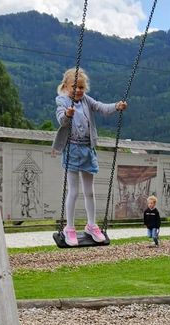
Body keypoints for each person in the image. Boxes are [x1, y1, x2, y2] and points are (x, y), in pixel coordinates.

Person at [52, 67, 126, 246]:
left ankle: (91, 225)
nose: (78, 91)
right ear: (66, 86)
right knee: (73, 191)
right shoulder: (62, 101)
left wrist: (116, 106)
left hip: (87, 150)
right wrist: (67, 115)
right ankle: (69, 228)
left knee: (89, 191)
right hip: (72, 150)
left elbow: (101, 107)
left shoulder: (86, 100)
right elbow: (61, 119)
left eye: (81, 88)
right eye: (74, 87)